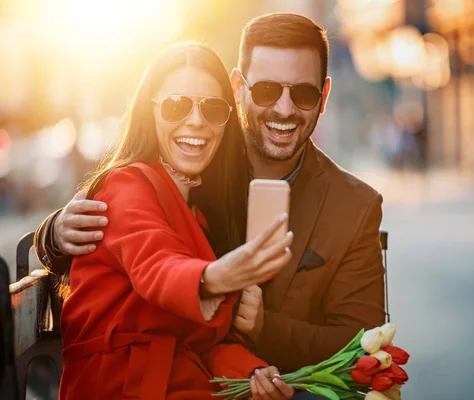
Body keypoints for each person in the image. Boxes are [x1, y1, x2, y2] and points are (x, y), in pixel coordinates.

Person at [35, 13, 386, 372]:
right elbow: (135, 230)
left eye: (304, 94)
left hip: (284, 384)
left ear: (324, 95)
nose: (284, 109)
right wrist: (56, 232)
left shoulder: (356, 205)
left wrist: (266, 329)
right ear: (238, 88)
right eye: (266, 90)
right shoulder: (191, 163)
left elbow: (363, 342)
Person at [55, 42, 295, 400]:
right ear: (149, 112)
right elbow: (156, 263)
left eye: (213, 109)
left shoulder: (199, 214)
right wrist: (213, 278)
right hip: (122, 387)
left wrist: (252, 371)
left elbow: (198, 343)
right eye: (176, 105)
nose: (196, 121)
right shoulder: (126, 185)